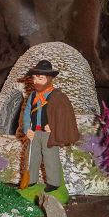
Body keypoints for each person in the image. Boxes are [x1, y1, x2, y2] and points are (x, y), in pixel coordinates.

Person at [20, 59, 80, 195]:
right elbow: (27, 113)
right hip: (34, 132)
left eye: (40, 78)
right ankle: (31, 179)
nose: (36, 81)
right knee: (32, 156)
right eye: (34, 78)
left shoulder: (57, 96)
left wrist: (54, 126)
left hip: (48, 134)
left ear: (49, 79)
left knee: (50, 157)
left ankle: (53, 182)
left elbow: (64, 116)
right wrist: (27, 128)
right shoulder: (33, 96)